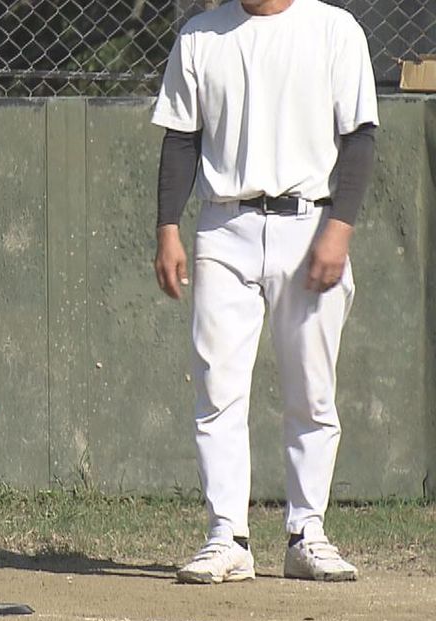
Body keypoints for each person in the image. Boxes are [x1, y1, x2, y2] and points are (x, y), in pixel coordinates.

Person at [151, 0, 378, 583]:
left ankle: (308, 533)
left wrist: (340, 229)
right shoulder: (202, 36)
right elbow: (181, 139)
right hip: (224, 225)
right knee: (217, 385)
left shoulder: (333, 29)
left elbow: (359, 140)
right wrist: (167, 228)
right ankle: (227, 535)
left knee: (311, 388)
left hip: (311, 223)